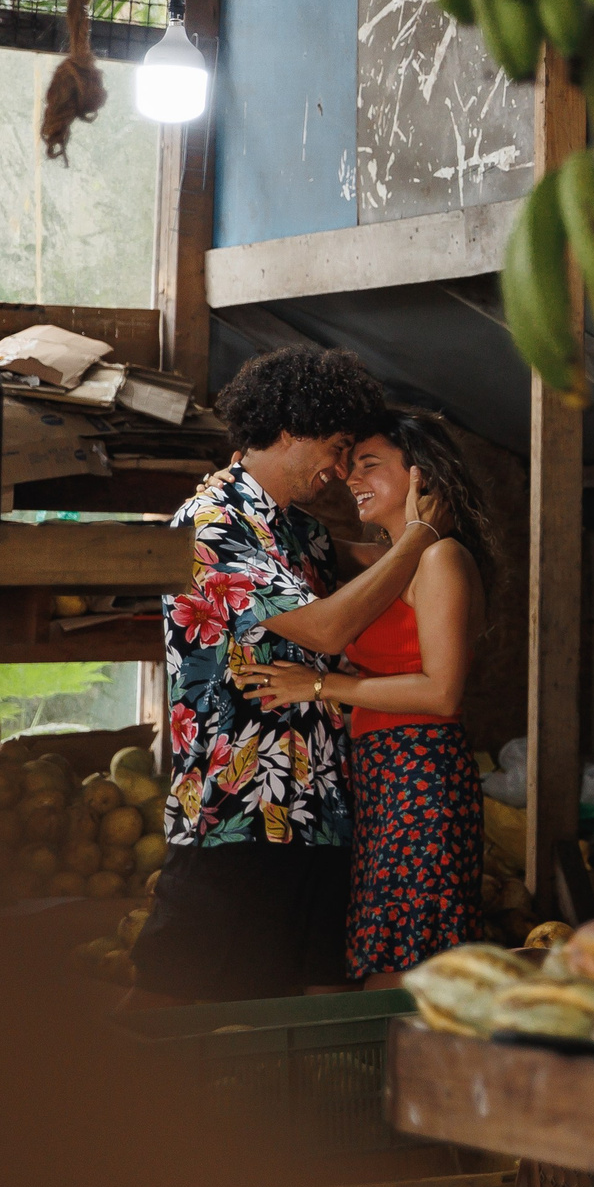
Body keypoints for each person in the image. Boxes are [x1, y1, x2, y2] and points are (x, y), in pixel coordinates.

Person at [131, 347, 448, 1003]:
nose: (341, 470)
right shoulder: (212, 524)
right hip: (236, 810)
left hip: (317, 810)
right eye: (337, 448)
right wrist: (419, 536)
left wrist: (428, 530)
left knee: (302, 1022)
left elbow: (383, 581)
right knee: (174, 1010)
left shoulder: (302, 530)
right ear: (288, 428)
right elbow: (328, 628)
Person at [236, 412, 493, 987]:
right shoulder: (398, 558)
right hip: (384, 771)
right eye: (350, 465)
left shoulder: (441, 558)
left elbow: (441, 693)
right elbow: (308, 553)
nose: (352, 478)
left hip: (421, 773)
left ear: (421, 475)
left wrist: (321, 686)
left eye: (369, 465)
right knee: (386, 954)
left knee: (406, 966)